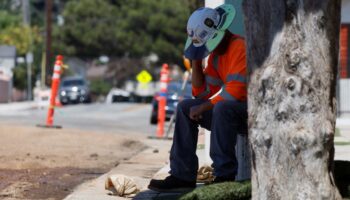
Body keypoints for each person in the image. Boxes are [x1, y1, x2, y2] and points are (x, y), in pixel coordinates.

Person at [148, 4, 247, 192]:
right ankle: (181, 175)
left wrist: (204, 107)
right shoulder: (216, 56)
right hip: (231, 112)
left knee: (222, 108)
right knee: (186, 107)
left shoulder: (239, 47)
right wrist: (196, 57)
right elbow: (201, 93)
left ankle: (225, 176)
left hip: (251, 113)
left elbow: (237, 91)